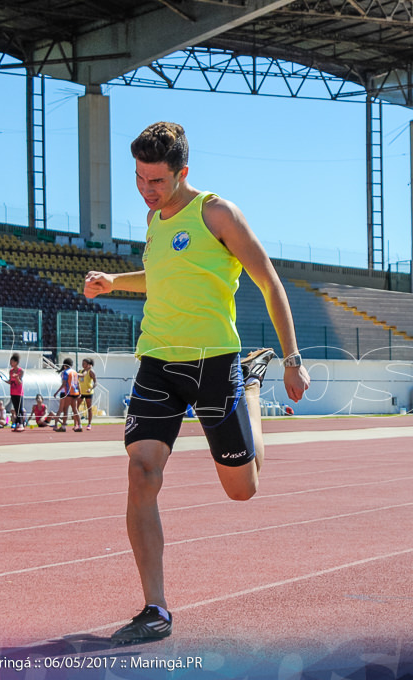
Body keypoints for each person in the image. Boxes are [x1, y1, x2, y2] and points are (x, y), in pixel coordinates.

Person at [83, 122, 310, 643]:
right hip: (157, 362)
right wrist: (114, 281)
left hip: (214, 364)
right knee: (141, 473)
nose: (146, 189)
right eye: (139, 178)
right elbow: (162, 278)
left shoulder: (217, 213)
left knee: (242, 490)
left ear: (183, 172)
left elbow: (269, 281)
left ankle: (249, 389)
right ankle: (155, 609)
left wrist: (293, 357)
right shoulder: (152, 220)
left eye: (156, 181)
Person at [54, 357, 82, 433]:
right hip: (75, 392)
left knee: (65, 409)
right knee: (75, 409)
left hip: (68, 392)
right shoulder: (75, 372)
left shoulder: (65, 372)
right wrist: (80, 392)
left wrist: (57, 392)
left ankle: (63, 426)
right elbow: (78, 383)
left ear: (65, 365)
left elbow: (64, 384)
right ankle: (80, 425)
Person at [8, 353, 25, 431]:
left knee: (19, 408)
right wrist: (6, 381)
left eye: (12, 362)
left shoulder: (21, 371)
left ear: (16, 362)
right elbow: (10, 381)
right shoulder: (10, 371)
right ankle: (18, 423)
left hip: (19, 392)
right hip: (12, 392)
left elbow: (19, 382)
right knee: (15, 408)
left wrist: (17, 377)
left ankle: (21, 423)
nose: (11, 363)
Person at [78, 357, 97, 430]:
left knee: (89, 408)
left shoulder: (91, 372)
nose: (83, 364)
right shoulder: (80, 371)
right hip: (80, 392)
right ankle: (78, 424)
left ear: (89, 364)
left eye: (84, 363)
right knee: (76, 408)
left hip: (88, 393)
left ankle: (89, 424)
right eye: (82, 363)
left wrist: (91, 388)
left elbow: (96, 382)